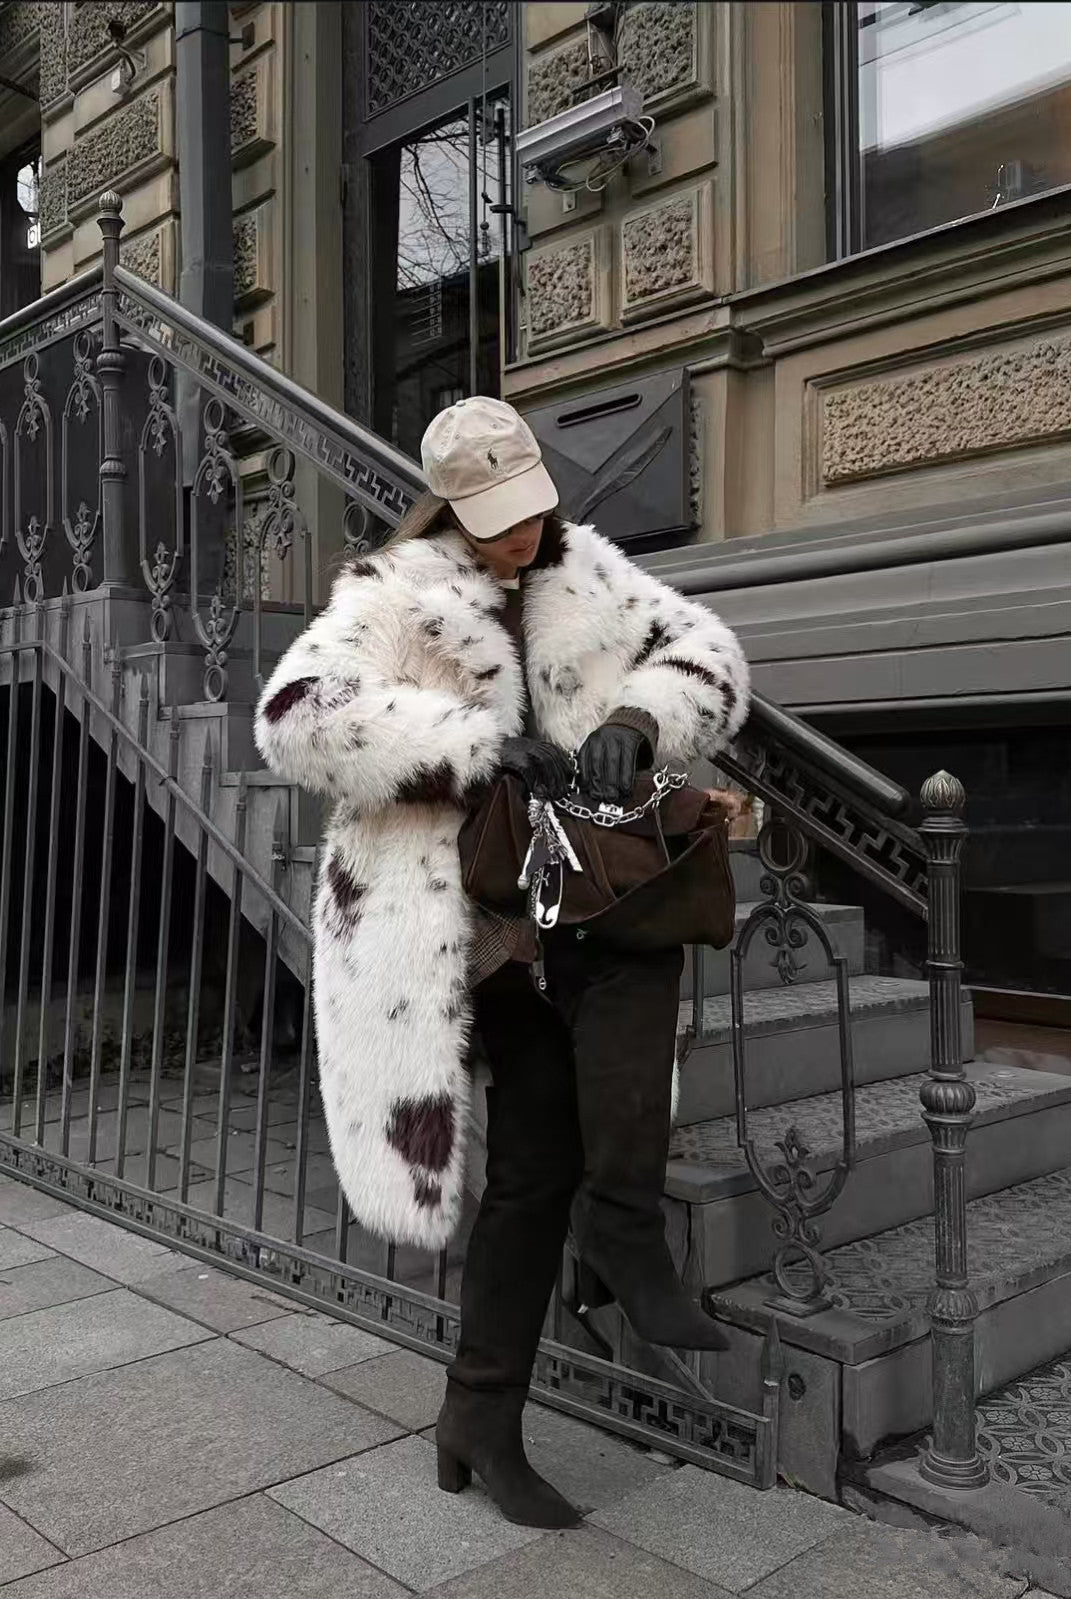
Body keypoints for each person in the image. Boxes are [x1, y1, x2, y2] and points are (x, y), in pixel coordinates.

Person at [255, 396, 750, 1529]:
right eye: (493, 519)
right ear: (450, 509)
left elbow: (710, 654)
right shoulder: (392, 591)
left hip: (582, 896)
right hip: (465, 921)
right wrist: (472, 744)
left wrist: (639, 716)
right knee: (532, 1167)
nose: (519, 535)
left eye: (529, 509)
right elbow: (294, 716)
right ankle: (503, 1391)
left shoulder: (591, 570)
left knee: (593, 1076)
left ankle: (549, 1323)